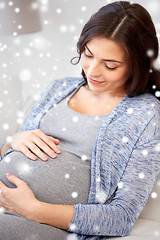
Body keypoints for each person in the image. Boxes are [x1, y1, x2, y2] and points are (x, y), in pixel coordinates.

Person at [0, 1, 160, 239]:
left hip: (38, 223)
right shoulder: (58, 88)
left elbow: (122, 217)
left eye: (110, 65)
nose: (92, 71)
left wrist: (34, 209)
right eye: (88, 54)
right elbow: (7, 154)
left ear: (136, 65)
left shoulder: (146, 115)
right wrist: (13, 141)